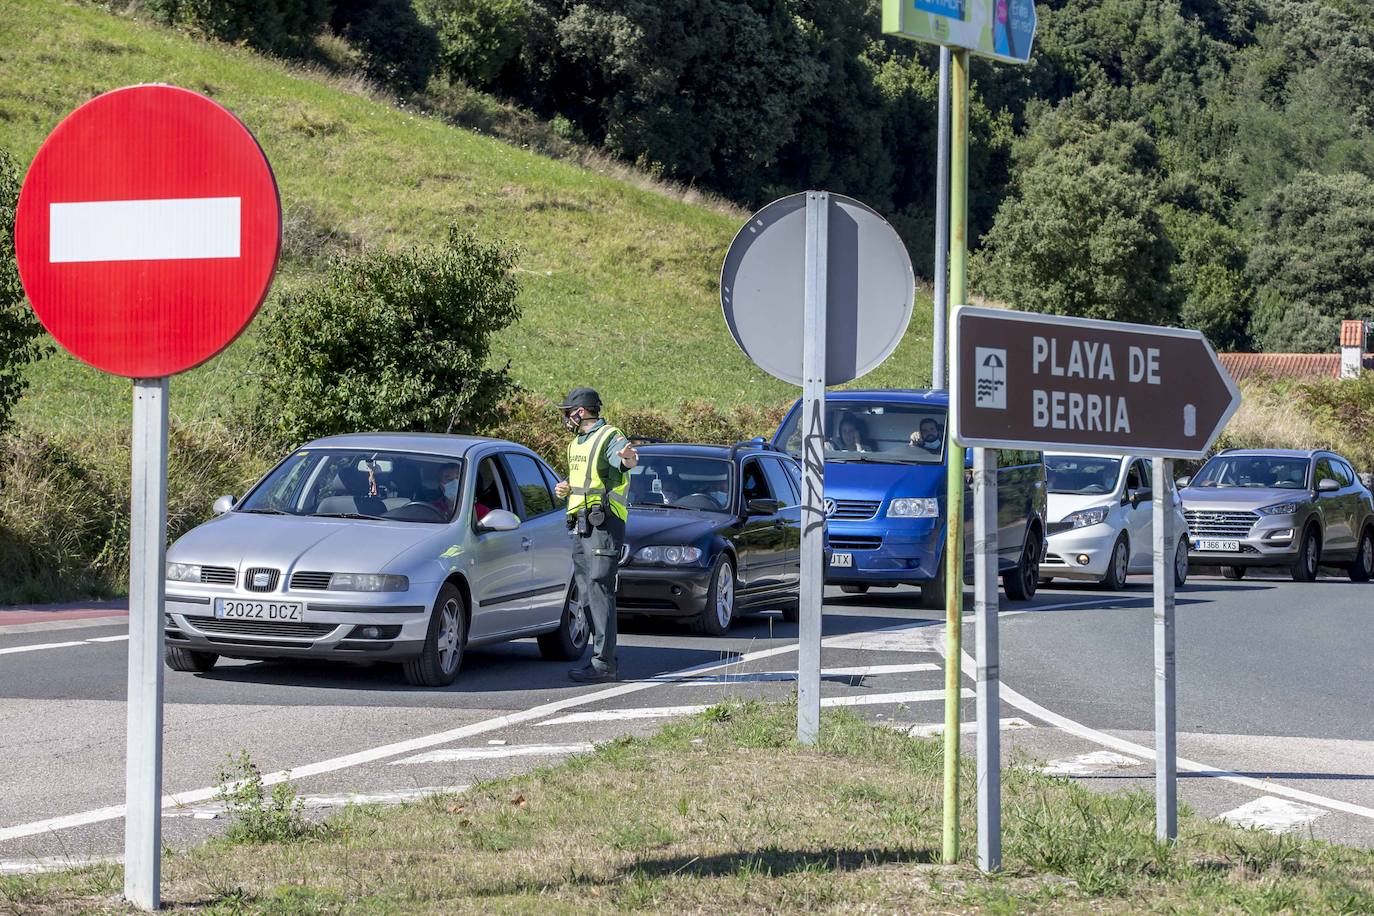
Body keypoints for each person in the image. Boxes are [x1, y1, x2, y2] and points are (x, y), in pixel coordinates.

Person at [553, 387, 638, 683]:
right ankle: (599, 658)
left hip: (603, 524)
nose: (565, 418)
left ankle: (604, 663)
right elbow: (586, 479)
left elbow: (625, 460)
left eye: (568, 413)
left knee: (600, 590)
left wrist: (628, 459)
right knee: (587, 593)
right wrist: (566, 486)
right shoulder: (576, 443)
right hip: (580, 524)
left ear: (580, 412)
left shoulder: (609, 435)